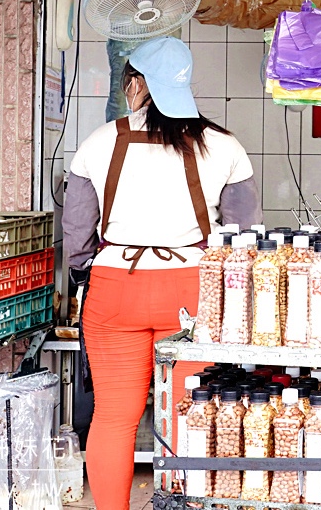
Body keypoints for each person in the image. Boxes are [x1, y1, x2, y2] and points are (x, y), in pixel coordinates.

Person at [62, 36, 262, 509]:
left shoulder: (98, 142)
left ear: (136, 84)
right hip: (192, 291)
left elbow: (76, 234)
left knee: (113, 417)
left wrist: (83, 274)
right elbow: (242, 235)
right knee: (190, 414)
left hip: (114, 288)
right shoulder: (224, 145)